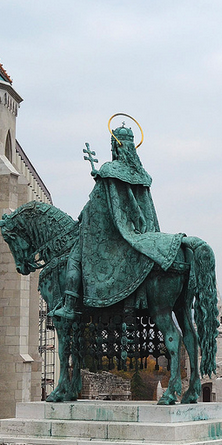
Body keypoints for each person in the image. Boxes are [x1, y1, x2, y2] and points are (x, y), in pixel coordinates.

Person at [51, 125, 181, 320]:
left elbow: (96, 207)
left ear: (116, 146)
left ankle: (69, 306)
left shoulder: (109, 170)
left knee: (75, 258)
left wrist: (83, 215)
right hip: (141, 232)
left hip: (113, 233)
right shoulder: (142, 175)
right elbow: (144, 209)